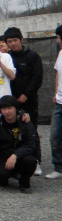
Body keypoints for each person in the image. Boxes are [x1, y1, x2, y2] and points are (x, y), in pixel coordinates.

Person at [4, 26, 44, 175]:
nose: (12, 43)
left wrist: (26, 95)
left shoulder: (32, 56)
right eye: (9, 41)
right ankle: (13, 159)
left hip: (29, 100)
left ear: (21, 39)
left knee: (31, 129)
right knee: (11, 130)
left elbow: (37, 77)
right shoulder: (6, 57)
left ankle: (36, 161)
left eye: (15, 40)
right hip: (11, 101)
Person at [0, 96, 37, 193]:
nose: (7, 112)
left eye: (10, 108)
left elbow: (31, 143)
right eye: (3, 109)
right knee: (1, 178)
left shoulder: (24, 120)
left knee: (31, 161)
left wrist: (15, 155)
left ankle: (24, 181)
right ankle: (12, 173)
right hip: (3, 153)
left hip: (21, 153)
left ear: (16, 108)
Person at [46, 24, 62, 180]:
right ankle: (59, 167)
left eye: (58, 37)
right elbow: (58, 73)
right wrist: (56, 92)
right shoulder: (61, 53)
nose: (56, 40)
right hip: (59, 103)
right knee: (55, 136)